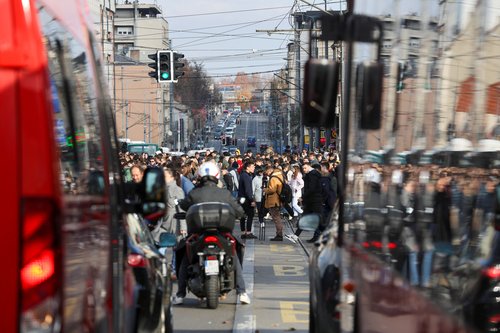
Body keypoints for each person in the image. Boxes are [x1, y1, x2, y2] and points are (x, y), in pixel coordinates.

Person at [173, 162, 250, 305]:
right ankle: (242, 292)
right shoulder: (224, 193)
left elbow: (183, 205)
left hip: (198, 234)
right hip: (222, 233)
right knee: (235, 256)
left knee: (184, 255)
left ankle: (180, 294)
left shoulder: (194, 193)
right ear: (217, 176)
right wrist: (239, 213)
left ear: (200, 176)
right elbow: (239, 211)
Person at [286, 162, 323, 243]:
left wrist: (303, 197)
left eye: (305, 168)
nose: (304, 170)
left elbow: (311, 188)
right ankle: (296, 236)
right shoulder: (314, 174)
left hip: (313, 201)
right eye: (303, 169)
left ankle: (318, 236)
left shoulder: (312, 175)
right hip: (313, 200)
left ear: (309, 167)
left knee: (313, 218)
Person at [263, 164, 285, 241]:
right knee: (277, 217)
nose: (266, 173)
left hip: (274, 200)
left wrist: (265, 189)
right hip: (278, 199)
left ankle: (279, 235)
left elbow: (272, 190)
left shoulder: (273, 178)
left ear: (269, 170)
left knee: (276, 218)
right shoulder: (280, 175)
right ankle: (279, 234)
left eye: (266, 172)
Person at [238, 160, 257, 239]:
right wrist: (252, 200)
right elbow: (248, 190)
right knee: (250, 215)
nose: (254, 168)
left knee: (242, 216)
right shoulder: (246, 176)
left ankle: (243, 232)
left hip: (241, 198)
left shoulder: (242, 175)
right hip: (246, 199)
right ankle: (248, 233)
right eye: (252, 167)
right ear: (248, 167)